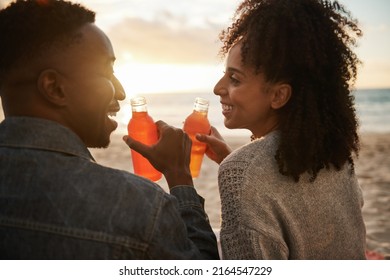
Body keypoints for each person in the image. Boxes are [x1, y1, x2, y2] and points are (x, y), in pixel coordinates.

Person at [0, 0, 218, 259]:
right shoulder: (140, 207)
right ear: (54, 88)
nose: (122, 92)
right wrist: (180, 176)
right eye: (107, 72)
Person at [196, 0, 366, 259]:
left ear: (278, 95)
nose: (218, 88)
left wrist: (179, 181)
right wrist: (229, 160)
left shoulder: (242, 173)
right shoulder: (336, 156)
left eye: (234, 78)